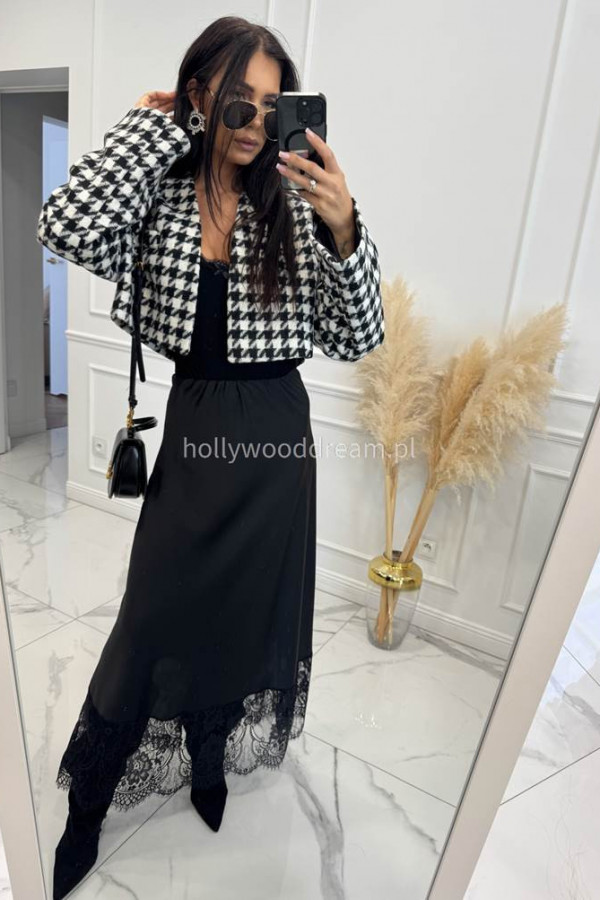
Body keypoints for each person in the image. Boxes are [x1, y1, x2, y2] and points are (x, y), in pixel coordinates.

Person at [36, 16, 384, 900]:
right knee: (150, 619)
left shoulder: (296, 205)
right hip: (196, 429)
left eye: (271, 106)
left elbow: (357, 336)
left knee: (242, 616)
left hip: (276, 442)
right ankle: (90, 804)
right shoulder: (160, 189)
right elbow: (64, 227)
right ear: (199, 96)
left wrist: (346, 227)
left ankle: (208, 757)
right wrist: (151, 126)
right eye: (236, 101)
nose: (255, 122)